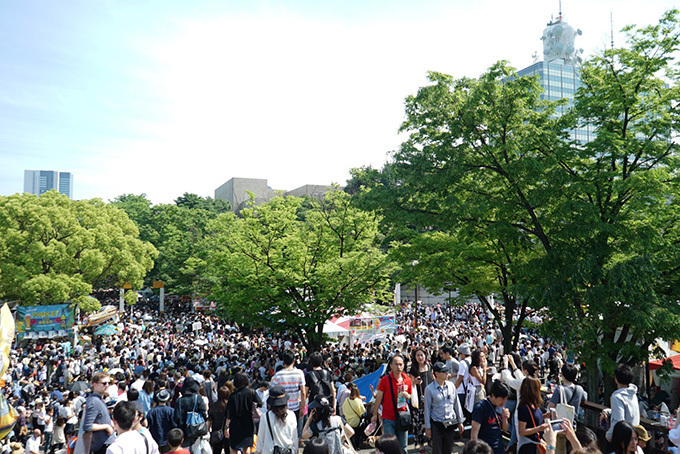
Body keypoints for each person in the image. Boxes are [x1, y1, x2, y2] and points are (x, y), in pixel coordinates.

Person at [371, 354, 413, 454]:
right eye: (396, 364)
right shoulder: (385, 380)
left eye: (401, 364)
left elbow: (410, 395)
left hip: (402, 416)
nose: (399, 367)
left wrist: (407, 396)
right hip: (388, 417)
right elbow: (379, 397)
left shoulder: (407, 379)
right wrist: (375, 414)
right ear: (391, 366)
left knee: (403, 446)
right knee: (390, 446)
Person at [423, 362, 465, 454]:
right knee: (437, 449)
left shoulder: (451, 386)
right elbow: (427, 409)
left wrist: (460, 421)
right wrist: (428, 427)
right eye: (444, 372)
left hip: (449, 422)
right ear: (437, 374)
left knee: (448, 448)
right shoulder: (429, 389)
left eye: (447, 371)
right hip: (436, 422)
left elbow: (456, 404)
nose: (447, 374)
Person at [270, 350, 306, 436]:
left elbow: (273, 393)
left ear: (283, 362)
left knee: (282, 432)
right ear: (294, 361)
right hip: (295, 407)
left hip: (281, 408)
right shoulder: (299, 373)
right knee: (294, 431)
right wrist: (303, 407)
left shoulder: (277, 375)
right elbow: (303, 392)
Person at [254, 386, 298, 454]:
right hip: (288, 451)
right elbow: (294, 438)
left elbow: (260, 439)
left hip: (269, 451)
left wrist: (257, 451)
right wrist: (296, 450)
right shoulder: (291, 415)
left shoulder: (265, 416)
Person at [470, 380, 511, 454]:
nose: (504, 402)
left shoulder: (500, 406)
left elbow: (505, 430)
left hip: (499, 447)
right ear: (493, 395)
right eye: (502, 399)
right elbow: (474, 435)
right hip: (486, 449)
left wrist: (505, 419)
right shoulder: (481, 407)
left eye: (506, 399)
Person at [226, 373, 262, 454]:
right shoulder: (251, 392)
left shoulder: (232, 396)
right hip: (248, 423)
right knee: (246, 447)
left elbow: (229, 414)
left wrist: (226, 427)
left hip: (235, 424)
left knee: (233, 447)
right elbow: (259, 403)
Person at [83, 372, 116, 454]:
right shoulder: (94, 401)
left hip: (106, 443)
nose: (107, 385)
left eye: (109, 383)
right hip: (102, 445)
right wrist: (106, 426)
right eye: (104, 383)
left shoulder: (98, 399)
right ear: (95, 384)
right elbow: (87, 426)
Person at [173, 376, 208, 451]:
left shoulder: (179, 401)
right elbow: (203, 414)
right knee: (196, 449)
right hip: (196, 428)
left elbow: (176, 417)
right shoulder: (198, 398)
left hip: (183, 430)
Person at [606, 365, 640, 442]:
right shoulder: (633, 393)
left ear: (615, 377)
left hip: (622, 438)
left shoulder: (617, 396)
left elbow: (618, 421)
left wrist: (609, 435)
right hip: (634, 435)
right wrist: (607, 411)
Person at [409, 347, 434, 452]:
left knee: (432, 420)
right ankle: (421, 443)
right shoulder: (413, 369)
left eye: (421, 355)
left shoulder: (429, 366)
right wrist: (415, 382)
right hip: (418, 399)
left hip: (430, 397)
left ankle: (431, 440)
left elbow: (433, 379)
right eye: (417, 355)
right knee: (419, 423)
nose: (420, 357)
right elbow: (409, 385)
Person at [516, 377, 547, 454]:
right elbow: (522, 431)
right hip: (528, 447)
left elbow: (531, 419)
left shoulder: (534, 404)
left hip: (535, 444)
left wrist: (545, 416)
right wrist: (539, 428)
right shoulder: (524, 408)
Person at [146, 389, 176, 453]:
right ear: (167, 399)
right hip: (167, 440)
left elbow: (147, 425)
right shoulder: (171, 411)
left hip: (154, 440)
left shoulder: (152, 411)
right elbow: (174, 425)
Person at [208, 385, 233, 454]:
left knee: (216, 450)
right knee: (228, 450)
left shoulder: (214, 405)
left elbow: (209, 420)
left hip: (216, 431)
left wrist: (207, 432)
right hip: (228, 431)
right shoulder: (230, 406)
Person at [341, 383, 366, 448]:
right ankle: (356, 447)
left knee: (350, 435)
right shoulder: (358, 401)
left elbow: (343, 409)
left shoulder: (346, 400)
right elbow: (362, 411)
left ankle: (351, 447)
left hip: (348, 421)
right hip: (356, 421)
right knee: (357, 434)